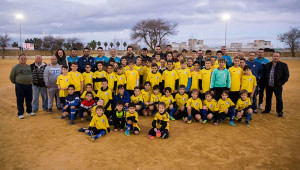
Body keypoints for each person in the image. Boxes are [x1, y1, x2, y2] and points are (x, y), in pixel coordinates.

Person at [262, 52, 289, 117]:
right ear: (272, 57)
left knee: (279, 98)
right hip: (269, 85)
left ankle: (280, 111)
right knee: (268, 98)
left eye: (277, 56)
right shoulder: (268, 65)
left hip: (277, 86)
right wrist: (266, 82)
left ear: (279, 57)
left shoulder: (283, 65)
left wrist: (281, 83)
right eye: (274, 56)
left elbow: (286, 76)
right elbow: (264, 75)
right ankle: (267, 110)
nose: (275, 57)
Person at [9, 54, 34, 119]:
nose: (23, 60)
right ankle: (20, 113)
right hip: (20, 85)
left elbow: (31, 74)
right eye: (21, 58)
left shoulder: (28, 67)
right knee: (20, 99)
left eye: (24, 58)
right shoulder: (16, 67)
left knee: (29, 99)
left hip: (29, 85)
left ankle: (29, 111)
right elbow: (12, 76)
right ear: (19, 59)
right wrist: (16, 82)